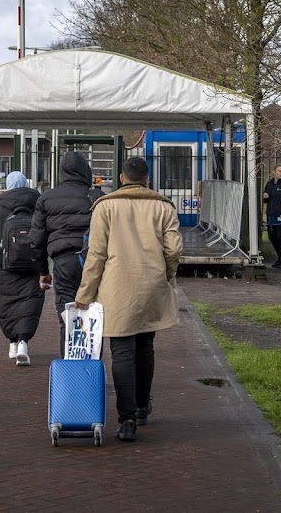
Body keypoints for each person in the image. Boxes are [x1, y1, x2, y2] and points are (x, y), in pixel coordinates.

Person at [74, 156, 182, 442]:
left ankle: (127, 420)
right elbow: (173, 249)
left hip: (117, 287)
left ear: (121, 178)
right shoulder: (163, 206)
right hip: (152, 285)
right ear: (147, 180)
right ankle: (143, 406)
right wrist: (167, 274)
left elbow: (95, 254)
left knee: (121, 352)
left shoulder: (106, 206)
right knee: (145, 348)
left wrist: (84, 294)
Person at [30, 151, 102, 353]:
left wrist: (43, 271)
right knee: (94, 318)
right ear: (85, 171)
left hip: (64, 262)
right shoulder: (97, 197)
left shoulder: (47, 198)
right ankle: (92, 372)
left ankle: (70, 374)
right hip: (94, 262)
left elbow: (36, 241)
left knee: (68, 319)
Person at [0, 171, 45, 365]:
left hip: (5, 265)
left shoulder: (1, 207)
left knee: (6, 302)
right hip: (33, 263)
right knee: (30, 302)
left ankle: (12, 343)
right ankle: (23, 342)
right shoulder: (38, 205)